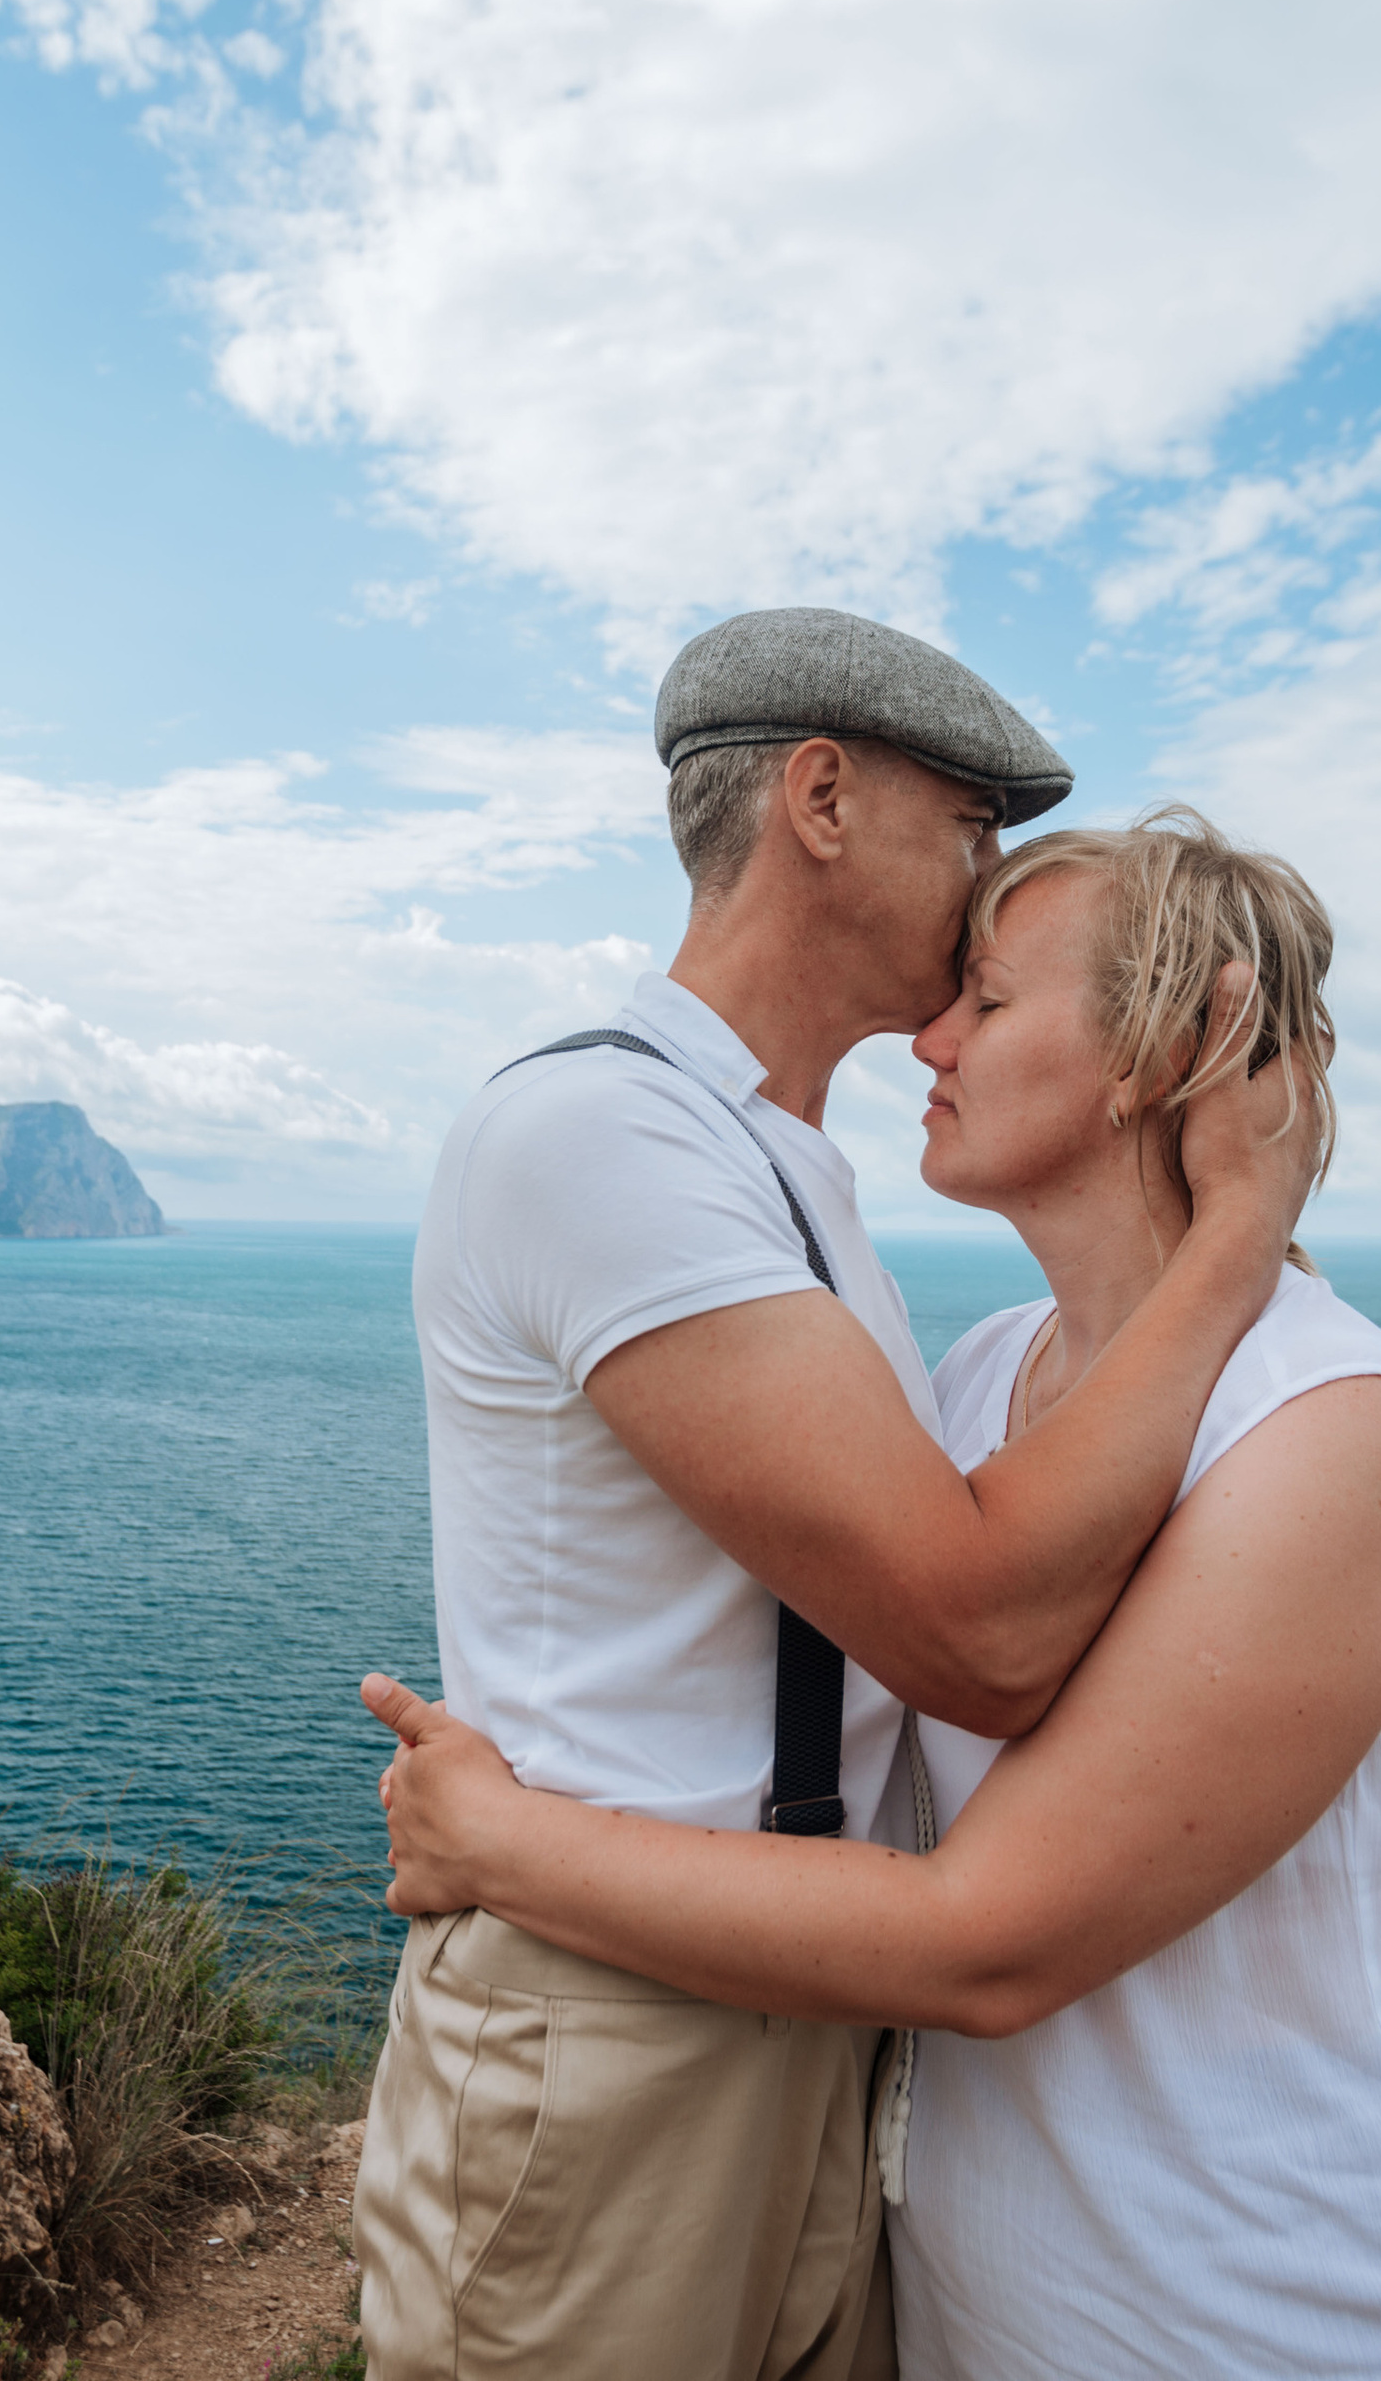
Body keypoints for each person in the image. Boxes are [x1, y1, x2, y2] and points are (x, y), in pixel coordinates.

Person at [365, 805, 1381, 2381]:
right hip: (1006, 2322)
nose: (929, 1038)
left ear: (1176, 1042)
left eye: (993, 999)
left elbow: (985, 1939)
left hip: (1308, 2318)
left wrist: (511, 1842)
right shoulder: (976, 1386)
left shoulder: (1331, 1438)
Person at [354, 616, 1324, 2381]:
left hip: (802, 1991)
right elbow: (981, 1626)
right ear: (820, 799)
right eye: (969, 832)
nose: (988, 887)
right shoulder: (605, 1137)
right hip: (619, 2022)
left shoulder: (780, 1169)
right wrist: (1239, 1236)